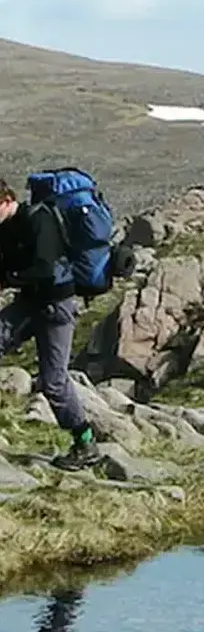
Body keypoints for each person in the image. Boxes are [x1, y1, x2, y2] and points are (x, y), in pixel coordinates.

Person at [0, 179, 101, 471]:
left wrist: (8, 279)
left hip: (56, 305)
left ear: (7, 200)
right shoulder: (5, 227)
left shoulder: (38, 219)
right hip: (29, 303)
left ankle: (85, 443)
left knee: (54, 381)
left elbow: (44, 268)